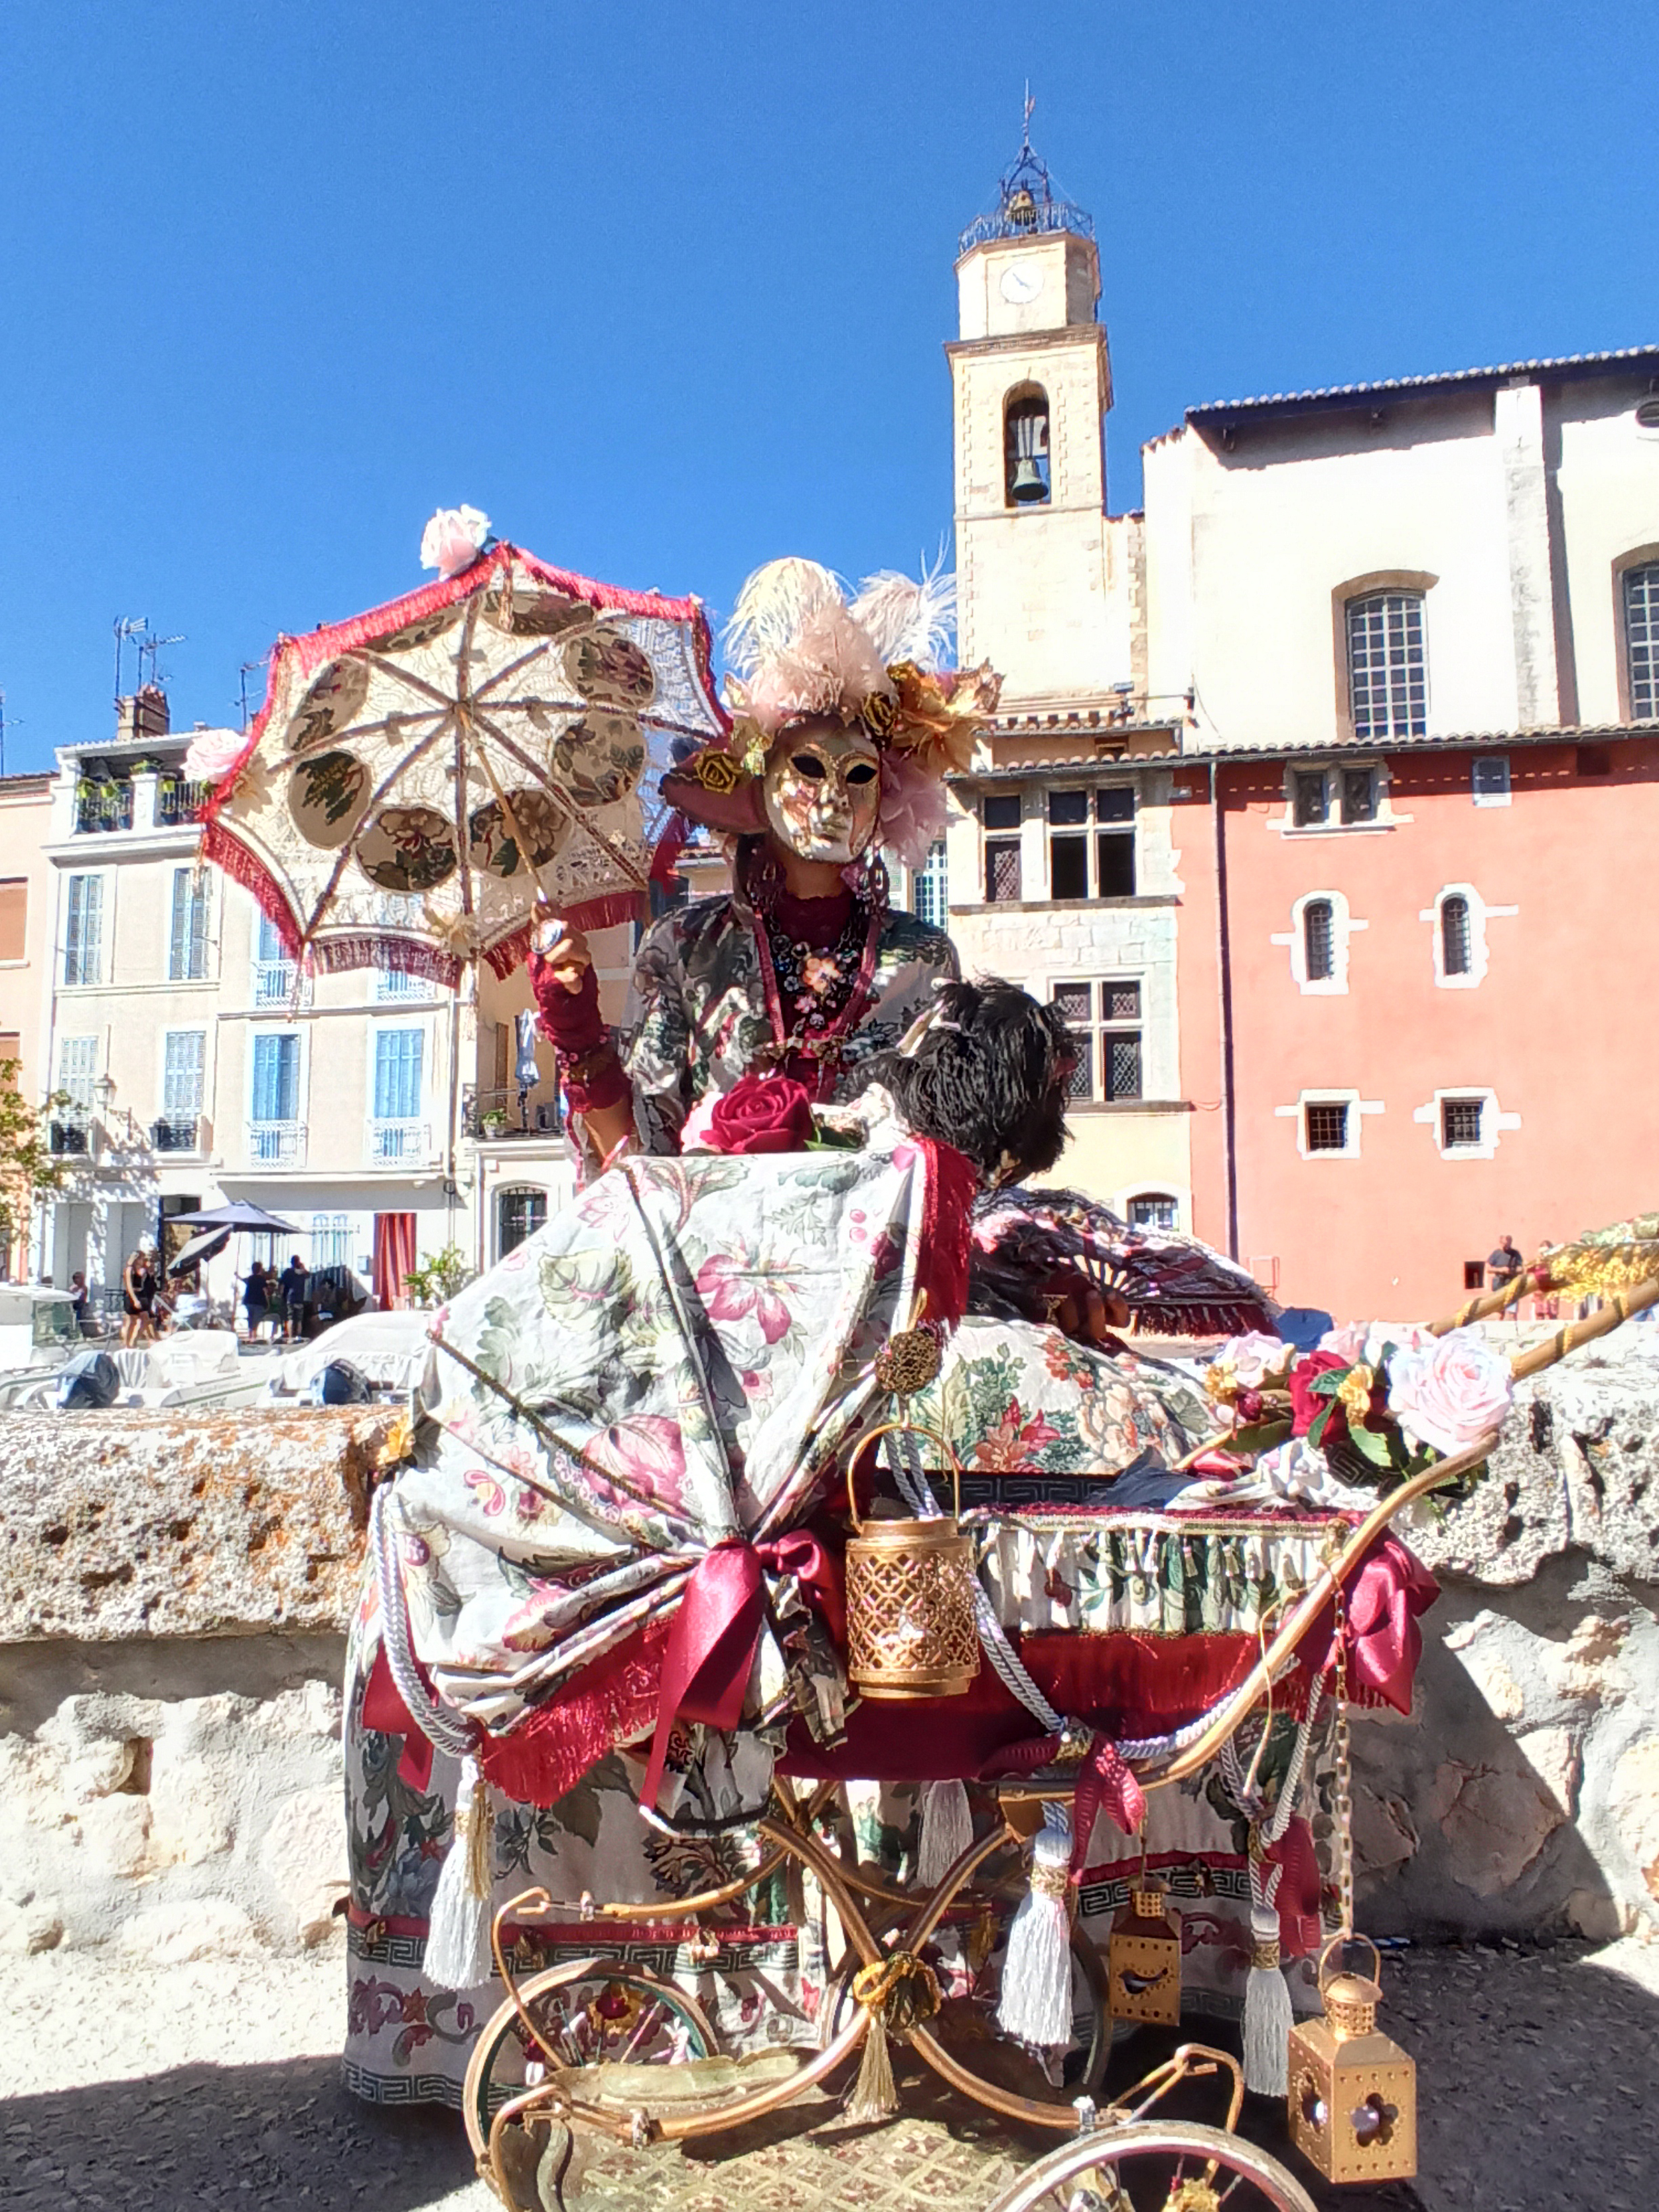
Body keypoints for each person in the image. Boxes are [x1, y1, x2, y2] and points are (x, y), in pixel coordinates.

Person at [120, 1247, 157, 1347]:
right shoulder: (129, 1270)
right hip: (132, 1296)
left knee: (145, 1319)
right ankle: (127, 1344)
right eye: (142, 1259)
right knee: (131, 1321)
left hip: (141, 1294)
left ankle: (134, 1341)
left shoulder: (140, 1270)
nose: (143, 1261)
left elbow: (150, 1270)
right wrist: (135, 1300)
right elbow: (129, 1286)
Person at [277, 1253, 309, 1341]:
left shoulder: (288, 1272)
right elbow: (308, 1275)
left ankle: (290, 1337)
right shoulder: (302, 1273)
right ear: (299, 1262)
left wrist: (281, 1295)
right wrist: (303, 1267)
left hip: (290, 1298)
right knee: (299, 1319)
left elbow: (282, 1284)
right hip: (300, 1297)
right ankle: (298, 1336)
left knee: (290, 1318)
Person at [1487, 1232, 1524, 1297]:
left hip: (1511, 1284)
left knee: (1511, 1304)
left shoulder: (1515, 1253)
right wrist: (1501, 1270)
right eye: (1505, 1244)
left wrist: (1513, 1271)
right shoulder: (1496, 1253)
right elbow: (1488, 1269)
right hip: (1499, 1284)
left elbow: (1521, 1269)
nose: (1507, 1246)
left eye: (1509, 1244)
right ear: (1501, 1243)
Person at [242, 1258, 271, 1341]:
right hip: (259, 1302)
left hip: (249, 1302)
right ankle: (253, 1337)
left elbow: (244, 1280)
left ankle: (250, 1336)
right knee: (256, 1320)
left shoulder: (250, 1278)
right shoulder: (262, 1279)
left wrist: (237, 1276)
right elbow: (265, 1291)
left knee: (251, 1319)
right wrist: (268, 1301)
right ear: (260, 1269)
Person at [69, 1270, 90, 1336]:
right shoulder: (72, 1288)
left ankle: (81, 1332)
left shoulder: (84, 1288)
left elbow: (84, 1298)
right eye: (76, 1278)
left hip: (81, 1306)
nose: (77, 1280)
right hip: (72, 1305)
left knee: (80, 1319)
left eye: (79, 1278)